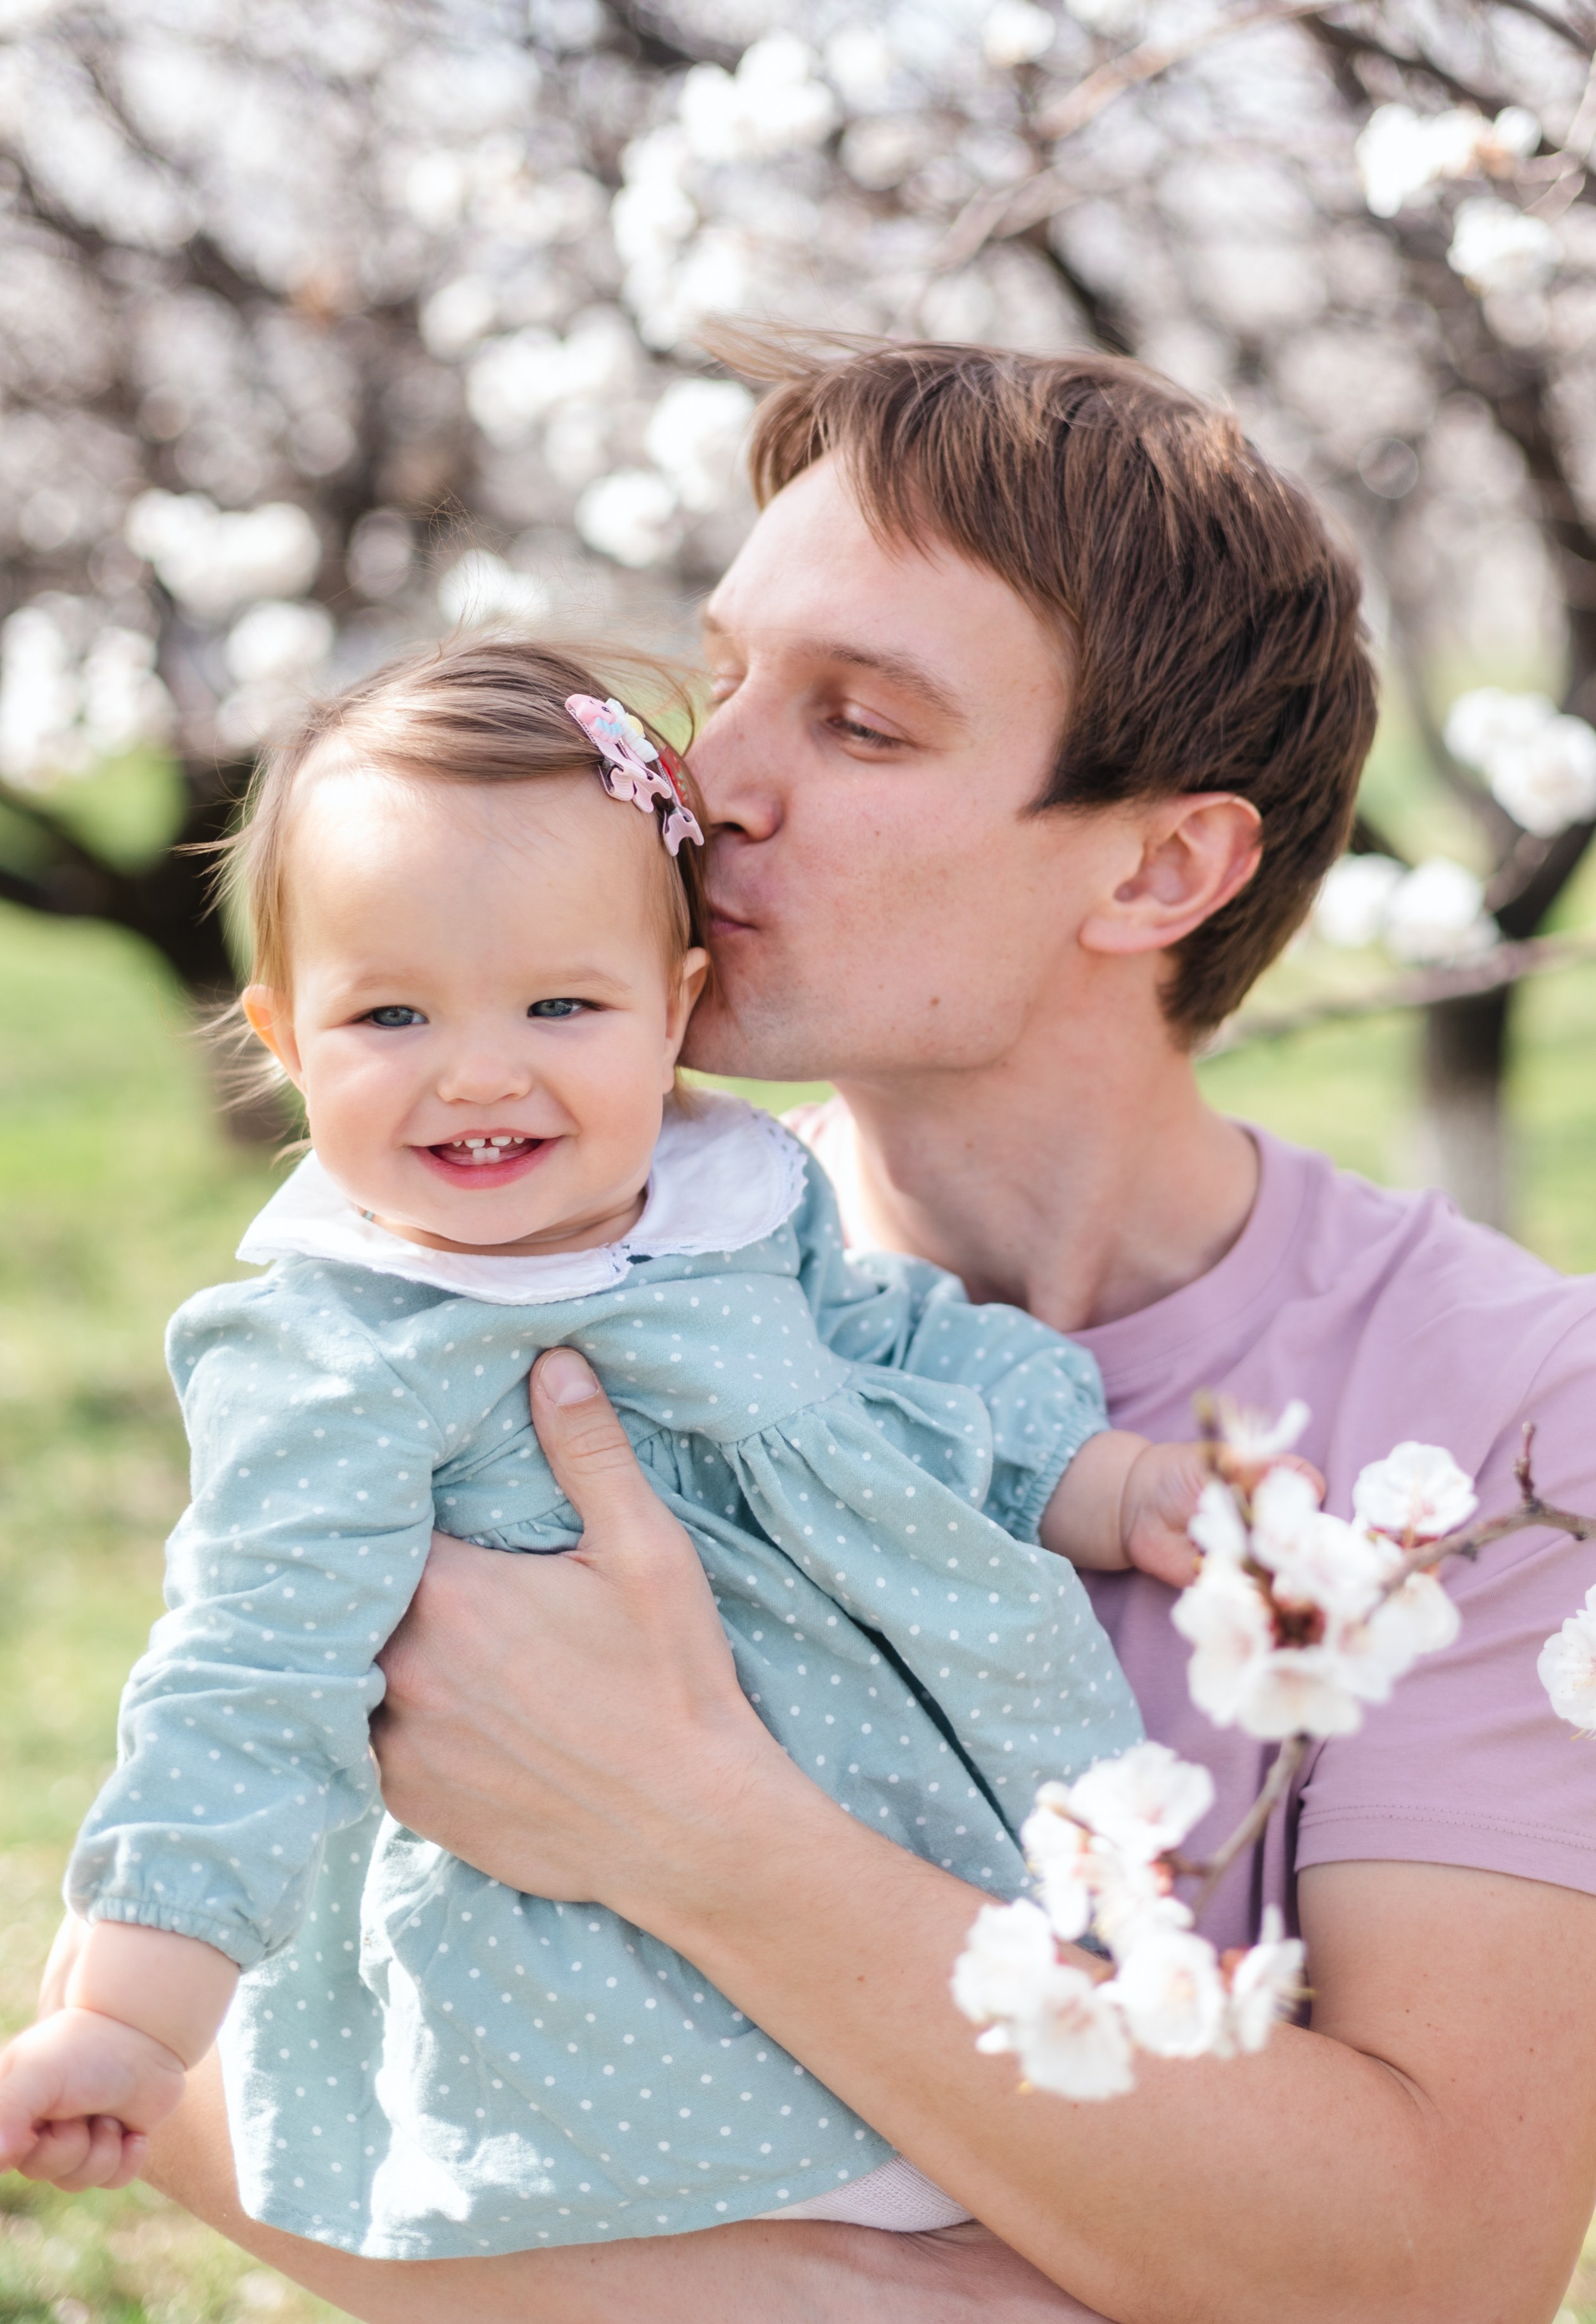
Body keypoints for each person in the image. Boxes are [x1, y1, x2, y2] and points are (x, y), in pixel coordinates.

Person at [41, 339, 1596, 2323]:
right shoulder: (525, 1286)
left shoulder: (1493, 1418)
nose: (708, 784)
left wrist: (693, 1829)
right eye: (728, 676)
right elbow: (202, 2023)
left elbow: (1430, 2274)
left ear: (1162, 863)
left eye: (860, 724)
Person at [0, 635, 1222, 2258]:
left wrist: (1113, 1485)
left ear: (678, 1011)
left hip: (906, 1835)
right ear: (288, 1040)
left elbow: (902, 1365)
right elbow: (248, 1671)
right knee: (786, 2229)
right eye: (393, 1013)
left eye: (562, 1002)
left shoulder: (735, 1200)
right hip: (598, 1969)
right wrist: (137, 2022)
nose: (481, 1070)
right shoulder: (339, 1356)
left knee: (1004, 2152)